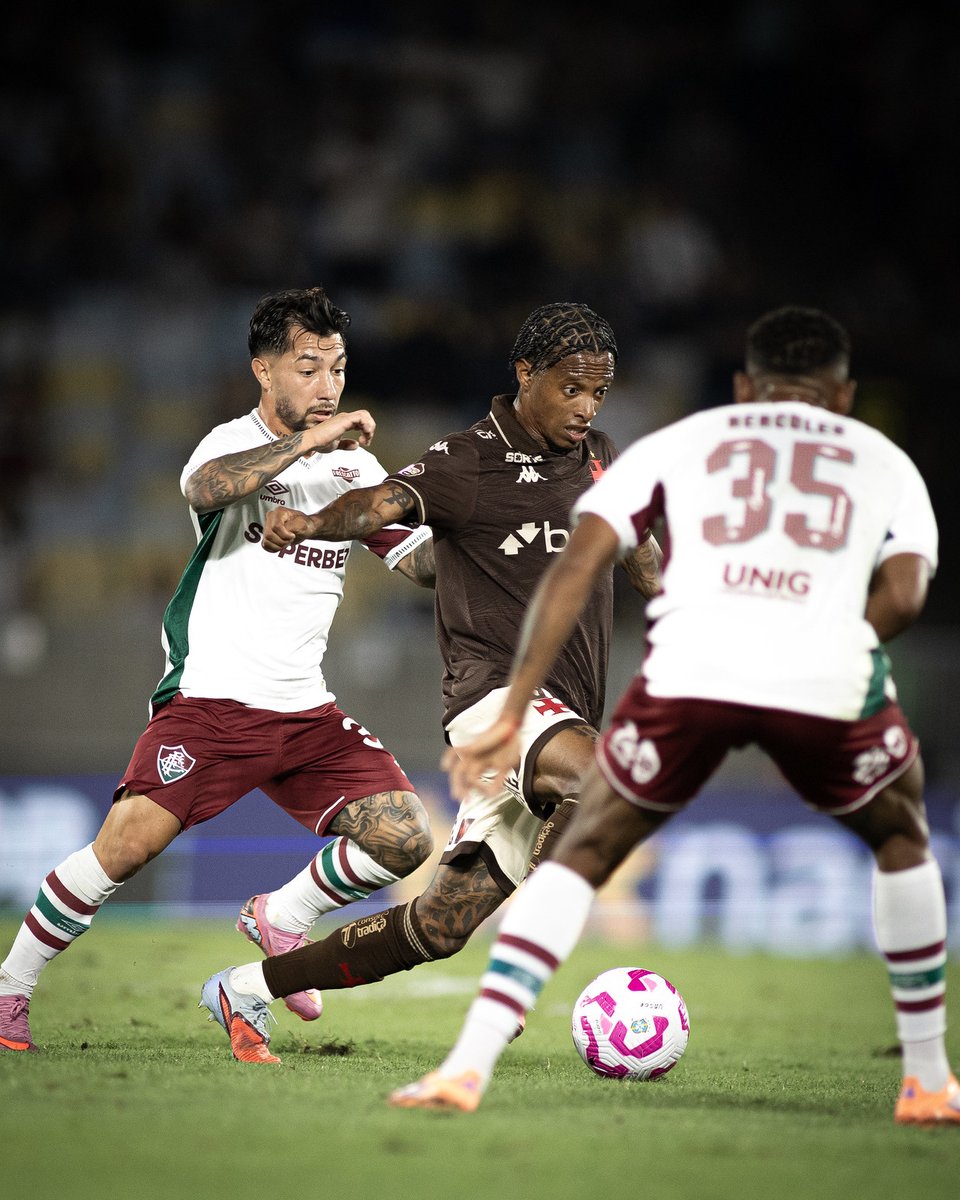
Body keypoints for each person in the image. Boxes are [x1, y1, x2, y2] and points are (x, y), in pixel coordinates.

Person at [386, 304, 958, 1126]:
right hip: (822, 669)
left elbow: (575, 570)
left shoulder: (680, 443)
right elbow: (903, 594)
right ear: (843, 396)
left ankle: (465, 1068)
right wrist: (832, 648)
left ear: (744, 387)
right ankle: (928, 1080)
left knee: (585, 849)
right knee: (902, 837)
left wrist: (512, 708)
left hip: (696, 668)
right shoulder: (884, 461)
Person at [198, 301, 663, 1063]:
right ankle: (518, 971)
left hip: (563, 715)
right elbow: (378, 504)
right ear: (526, 374)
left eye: (598, 393)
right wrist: (309, 523)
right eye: (572, 389)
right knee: (607, 780)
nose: (586, 408)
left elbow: (643, 557)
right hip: (494, 700)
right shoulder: (466, 460)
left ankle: (246, 986)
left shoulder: (601, 458)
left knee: (440, 926)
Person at [0, 286, 437, 1060]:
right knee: (123, 850)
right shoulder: (228, 444)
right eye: (309, 367)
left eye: (338, 367)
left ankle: (283, 916)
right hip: (213, 706)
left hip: (305, 713)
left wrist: (489, 530)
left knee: (403, 836)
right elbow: (207, 490)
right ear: (264, 371)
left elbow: (421, 564)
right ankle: (12, 988)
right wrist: (310, 441)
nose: (329, 385)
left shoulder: (355, 467)